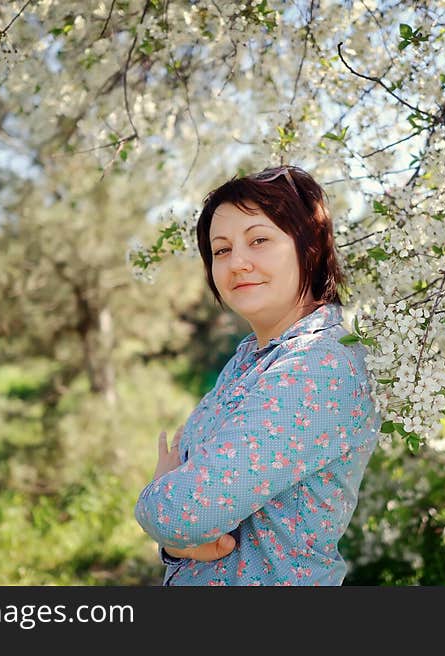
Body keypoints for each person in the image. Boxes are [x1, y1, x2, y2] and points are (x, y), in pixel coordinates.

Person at [134, 165, 379, 585]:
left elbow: (184, 512)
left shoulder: (320, 363)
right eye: (222, 250)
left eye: (259, 240)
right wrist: (177, 541)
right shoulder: (252, 357)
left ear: (310, 247)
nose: (238, 263)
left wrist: (157, 504)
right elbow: (188, 524)